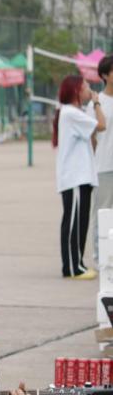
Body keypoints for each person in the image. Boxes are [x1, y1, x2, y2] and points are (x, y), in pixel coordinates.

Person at [53, 75, 106, 279]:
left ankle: (77, 264)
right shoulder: (70, 113)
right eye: (85, 86)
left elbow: (92, 137)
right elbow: (101, 125)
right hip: (74, 177)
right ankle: (72, 267)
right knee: (73, 222)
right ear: (76, 90)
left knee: (80, 222)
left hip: (82, 177)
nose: (89, 89)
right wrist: (97, 102)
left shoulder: (75, 113)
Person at [89, 55, 113, 268]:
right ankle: (98, 257)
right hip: (104, 166)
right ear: (105, 75)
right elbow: (91, 137)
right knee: (102, 212)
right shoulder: (96, 103)